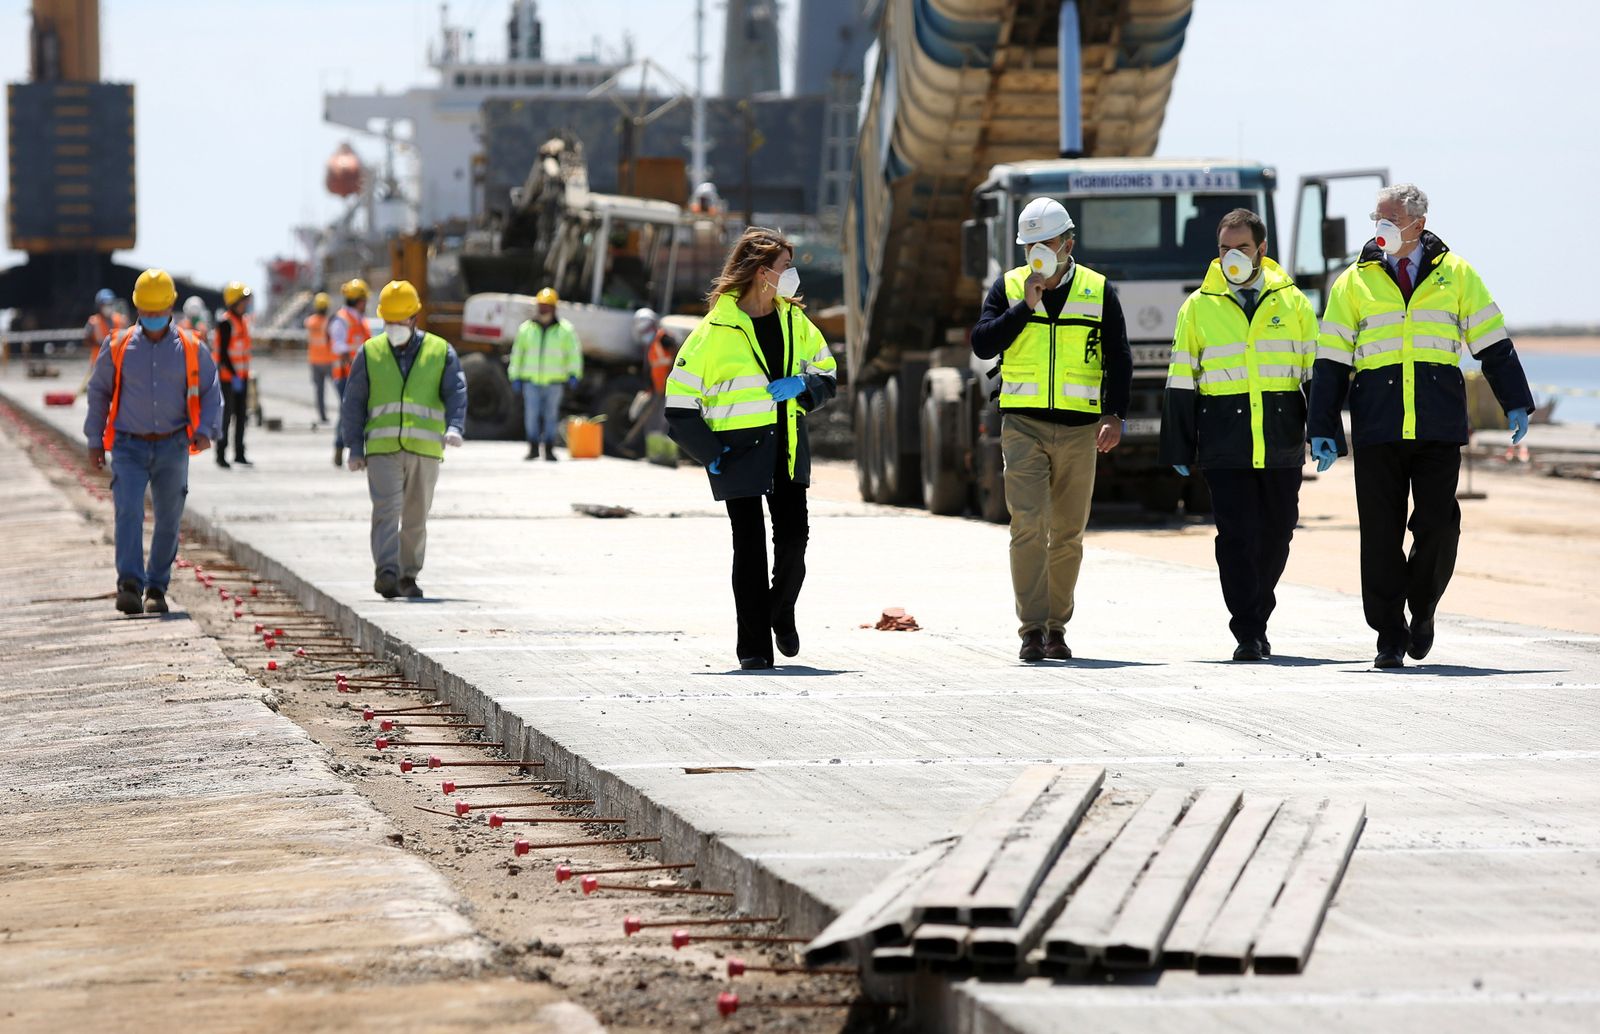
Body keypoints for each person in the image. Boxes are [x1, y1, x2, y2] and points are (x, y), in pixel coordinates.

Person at [1308, 184, 1533, 669]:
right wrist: (1321, 423)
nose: (1381, 226)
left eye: (1390, 218)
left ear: (1418, 224)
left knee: (1439, 524)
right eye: (1377, 218)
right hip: (1378, 424)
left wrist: (1516, 401)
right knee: (1380, 534)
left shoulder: (1456, 275)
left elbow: (1492, 341)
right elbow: (1329, 360)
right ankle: (1389, 635)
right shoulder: (1354, 282)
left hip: (1437, 423)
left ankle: (1423, 606)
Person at [665, 227, 838, 670]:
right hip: (736, 452)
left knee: (794, 544)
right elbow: (678, 404)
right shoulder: (713, 331)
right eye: (786, 266)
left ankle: (780, 610)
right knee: (749, 547)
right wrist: (711, 453)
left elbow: (828, 373)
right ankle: (754, 648)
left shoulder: (794, 319)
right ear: (764, 273)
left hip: (787, 446)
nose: (792, 274)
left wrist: (805, 386)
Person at [971, 197, 1132, 663]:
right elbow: (983, 344)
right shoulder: (1009, 289)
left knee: (1067, 533)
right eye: (1030, 245)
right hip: (1023, 423)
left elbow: (1119, 357)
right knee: (1028, 525)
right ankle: (1031, 630)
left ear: (1069, 242)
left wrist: (1115, 414)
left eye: (1047, 242)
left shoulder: (1099, 291)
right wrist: (1025, 306)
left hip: (1081, 430)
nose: (1038, 251)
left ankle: (1056, 628)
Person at [1160, 208, 1318, 661]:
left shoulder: (1293, 303)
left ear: (1261, 250)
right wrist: (1178, 442)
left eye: (1242, 248)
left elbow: (1315, 372)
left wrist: (1324, 431)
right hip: (1224, 439)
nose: (1233, 256)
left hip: (1280, 437)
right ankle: (1247, 630)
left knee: (1278, 531)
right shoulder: (1198, 306)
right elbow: (1181, 377)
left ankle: (1258, 613)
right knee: (1237, 535)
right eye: (1225, 248)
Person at [83, 269, 222, 616]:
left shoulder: (191, 348)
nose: (154, 318)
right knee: (128, 510)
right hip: (129, 446)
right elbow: (99, 392)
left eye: (159, 312)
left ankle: (157, 586)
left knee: (169, 517)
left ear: (171, 306)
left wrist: (206, 429)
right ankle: (129, 583)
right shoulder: (118, 346)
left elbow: (210, 390)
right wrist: (94, 438)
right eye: (147, 312)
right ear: (137, 309)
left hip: (172, 445)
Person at [339, 280, 467, 600]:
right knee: (385, 510)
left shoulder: (440, 351)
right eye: (389, 321)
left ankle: (408, 575)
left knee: (415, 516)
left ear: (414, 318)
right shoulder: (370, 352)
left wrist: (455, 426)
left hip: (425, 448)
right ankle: (386, 572)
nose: (394, 327)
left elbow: (456, 392)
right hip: (382, 449)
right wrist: (354, 447)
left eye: (399, 321)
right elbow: (353, 403)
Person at [509, 287, 582, 461]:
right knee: (531, 416)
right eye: (541, 306)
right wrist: (515, 376)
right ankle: (533, 448)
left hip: (555, 381)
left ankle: (549, 449)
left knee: (551, 416)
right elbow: (517, 353)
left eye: (547, 306)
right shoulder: (526, 329)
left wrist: (574, 374)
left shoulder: (565, 330)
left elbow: (573, 354)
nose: (544, 309)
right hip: (531, 381)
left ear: (554, 308)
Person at [327, 279, 371, 467]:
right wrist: (354, 366)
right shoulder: (342, 319)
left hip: (359, 375)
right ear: (359, 300)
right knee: (349, 411)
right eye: (364, 300)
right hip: (346, 375)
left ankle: (355, 447)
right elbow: (338, 347)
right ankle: (339, 447)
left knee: (357, 411)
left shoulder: (360, 320)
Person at [213, 280, 254, 467]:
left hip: (242, 378)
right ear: (233, 301)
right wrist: (234, 374)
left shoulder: (244, 321)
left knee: (241, 417)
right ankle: (221, 454)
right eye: (242, 300)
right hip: (228, 379)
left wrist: (242, 375)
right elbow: (222, 354)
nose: (246, 303)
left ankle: (239, 453)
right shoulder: (225, 322)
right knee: (226, 417)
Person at [305, 291, 334, 424]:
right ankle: (346, 412)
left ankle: (322, 415)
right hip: (328, 360)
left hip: (314, 361)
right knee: (340, 388)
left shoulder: (310, 322)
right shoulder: (328, 323)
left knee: (319, 391)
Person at [83, 287, 126, 353]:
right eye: (105, 305)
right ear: (99, 306)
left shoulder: (120, 320)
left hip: (116, 360)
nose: (108, 307)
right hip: (98, 360)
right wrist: (99, 344)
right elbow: (86, 340)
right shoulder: (93, 321)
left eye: (110, 304)